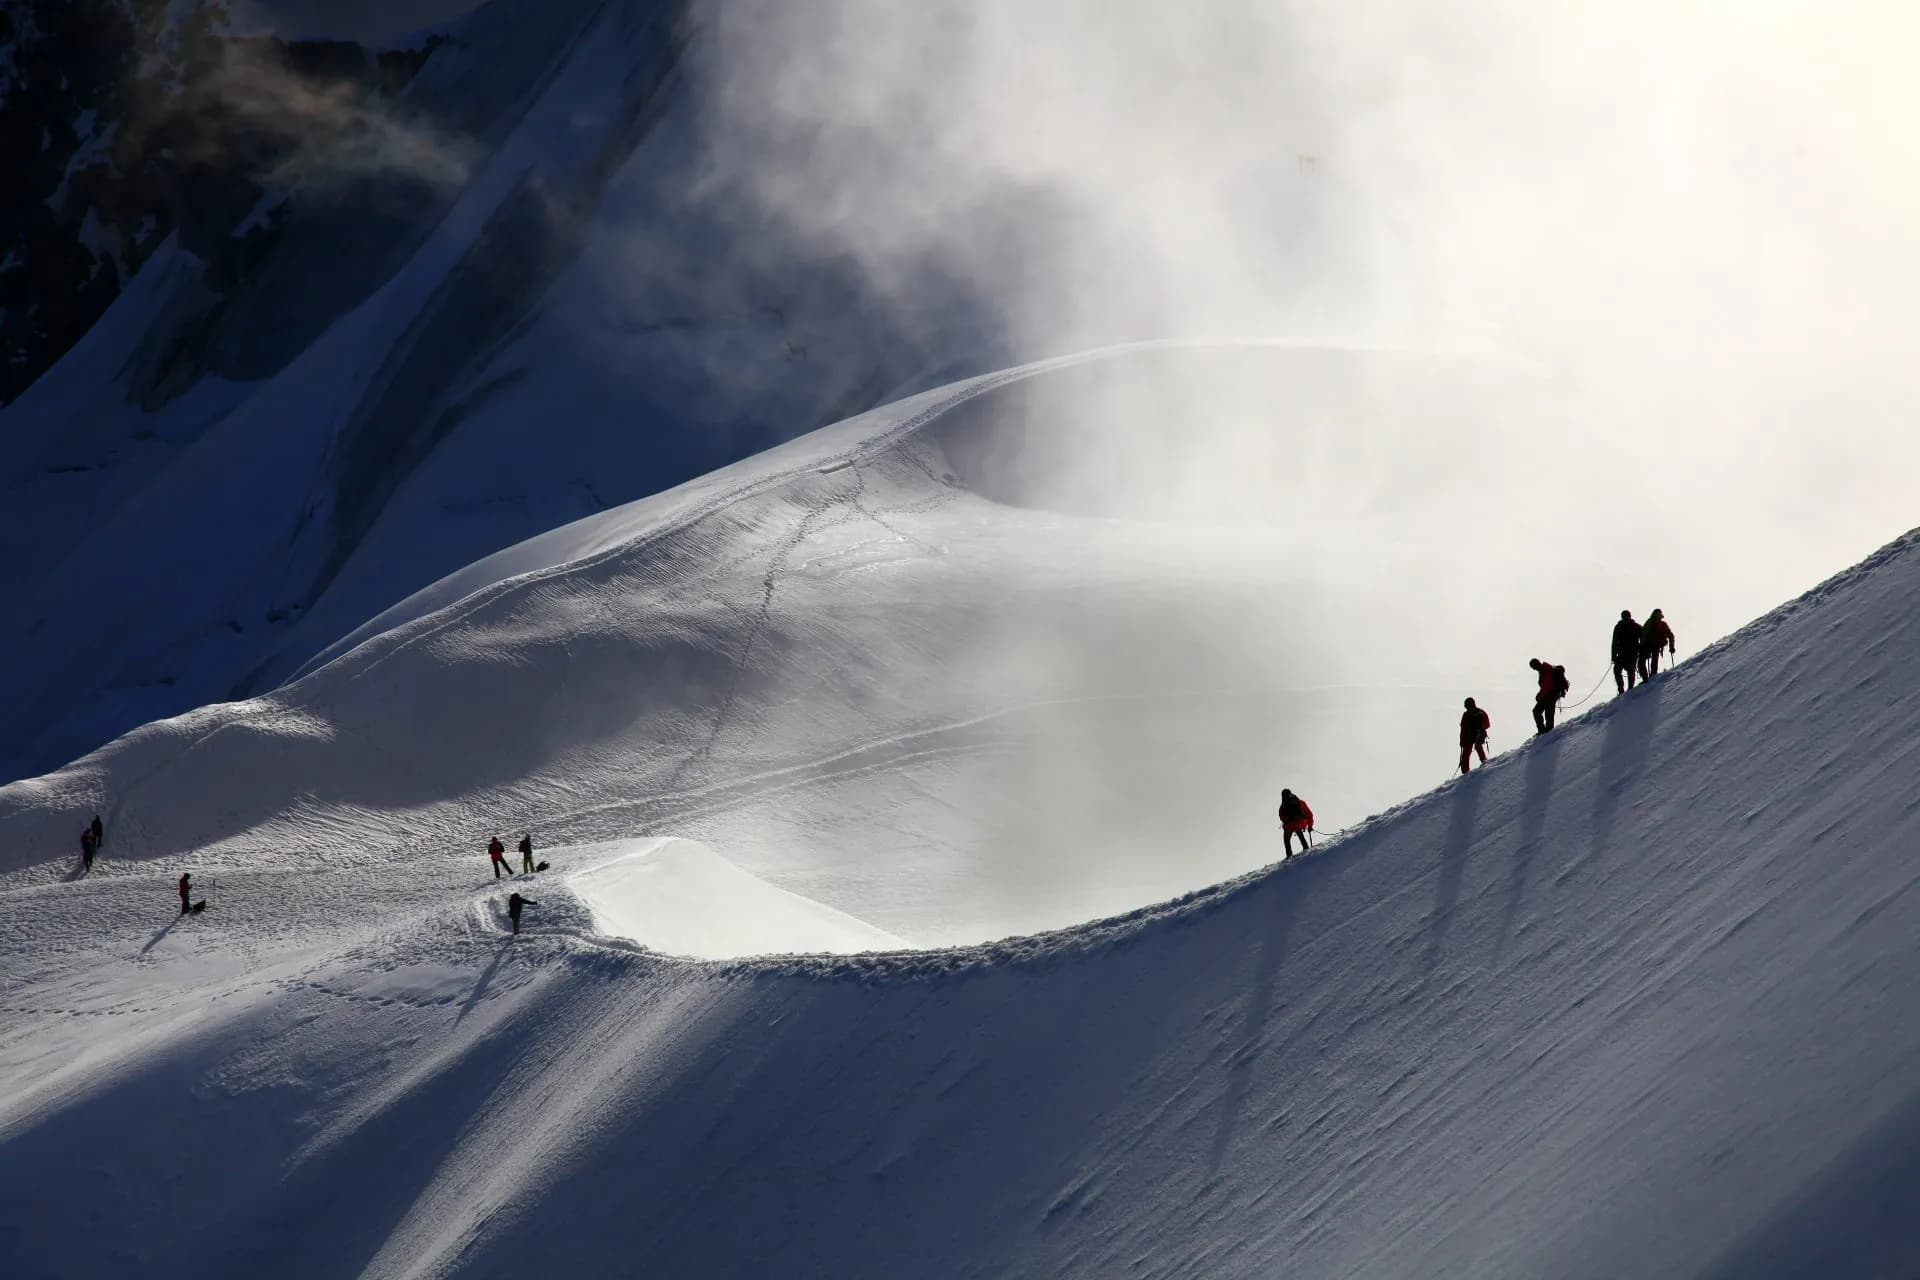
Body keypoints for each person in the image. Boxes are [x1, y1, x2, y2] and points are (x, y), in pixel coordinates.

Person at [1529, 658, 1567, 734]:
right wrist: (1539, 694)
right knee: (1540, 712)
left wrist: (1540, 696)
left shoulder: (1546, 669)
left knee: (1546, 714)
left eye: (1533, 667)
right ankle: (1544, 731)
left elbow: (1548, 686)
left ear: (1536, 664)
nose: (1534, 669)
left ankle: (1547, 732)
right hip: (1549, 695)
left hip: (1551, 695)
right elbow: (1545, 686)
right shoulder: (1543, 669)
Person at [1639, 608, 1676, 680]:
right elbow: (1670, 636)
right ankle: (1652, 675)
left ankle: (1646, 678)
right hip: (1657, 644)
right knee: (1654, 659)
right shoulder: (1662, 624)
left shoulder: (1649, 622)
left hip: (1648, 645)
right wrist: (1672, 646)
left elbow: (1644, 634)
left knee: (1642, 661)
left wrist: (1641, 646)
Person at [1277, 789, 1315, 858]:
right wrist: (1310, 826)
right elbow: (1309, 814)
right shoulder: (1300, 802)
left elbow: (1281, 816)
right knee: (1300, 835)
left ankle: (1289, 856)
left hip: (1289, 826)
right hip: (1300, 824)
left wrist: (1289, 818)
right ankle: (1306, 849)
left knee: (1286, 840)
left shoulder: (1283, 806)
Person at [1611, 610, 1642, 694]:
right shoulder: (1636, 626)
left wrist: (1613, 656)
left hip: (1627, 653)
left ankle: (1625, 690)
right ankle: (1626, 690)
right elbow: (1643, 640)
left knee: (1623, 670)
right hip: (1630, 653)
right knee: (1626, 670)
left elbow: (1614, 643)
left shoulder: (1619, 627)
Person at [1459, 697, 1491, 774]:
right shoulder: (1481, 712)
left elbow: (1463, 729)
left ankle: (1465, 773)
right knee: (1479, 748)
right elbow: (1487, 725)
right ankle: (1485, 763)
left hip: (1468, 738)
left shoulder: (1466, 715)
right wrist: (1479, 728)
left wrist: (1462, 741)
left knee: (1465, 756)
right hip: (1479, 736)